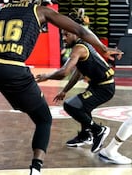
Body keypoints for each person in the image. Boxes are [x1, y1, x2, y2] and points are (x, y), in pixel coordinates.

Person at [0, 0, 123, 175]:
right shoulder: (40, 11)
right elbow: (80, 30)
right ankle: (35, 170)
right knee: (43, 119)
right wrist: (102, 48)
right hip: (12, 67)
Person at [35, 9, 123, 154]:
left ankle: (98, 130)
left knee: (72, 106)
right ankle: (85, 135)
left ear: (75, 33)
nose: (63, 38)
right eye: (62, 35)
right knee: (81, 106)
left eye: (66, 35)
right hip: (99, 85)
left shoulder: (79, 48)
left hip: (104, 88)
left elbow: (64, 72)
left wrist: (47, 76)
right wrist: (65, 90)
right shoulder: (82, 46)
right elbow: (78, 71)